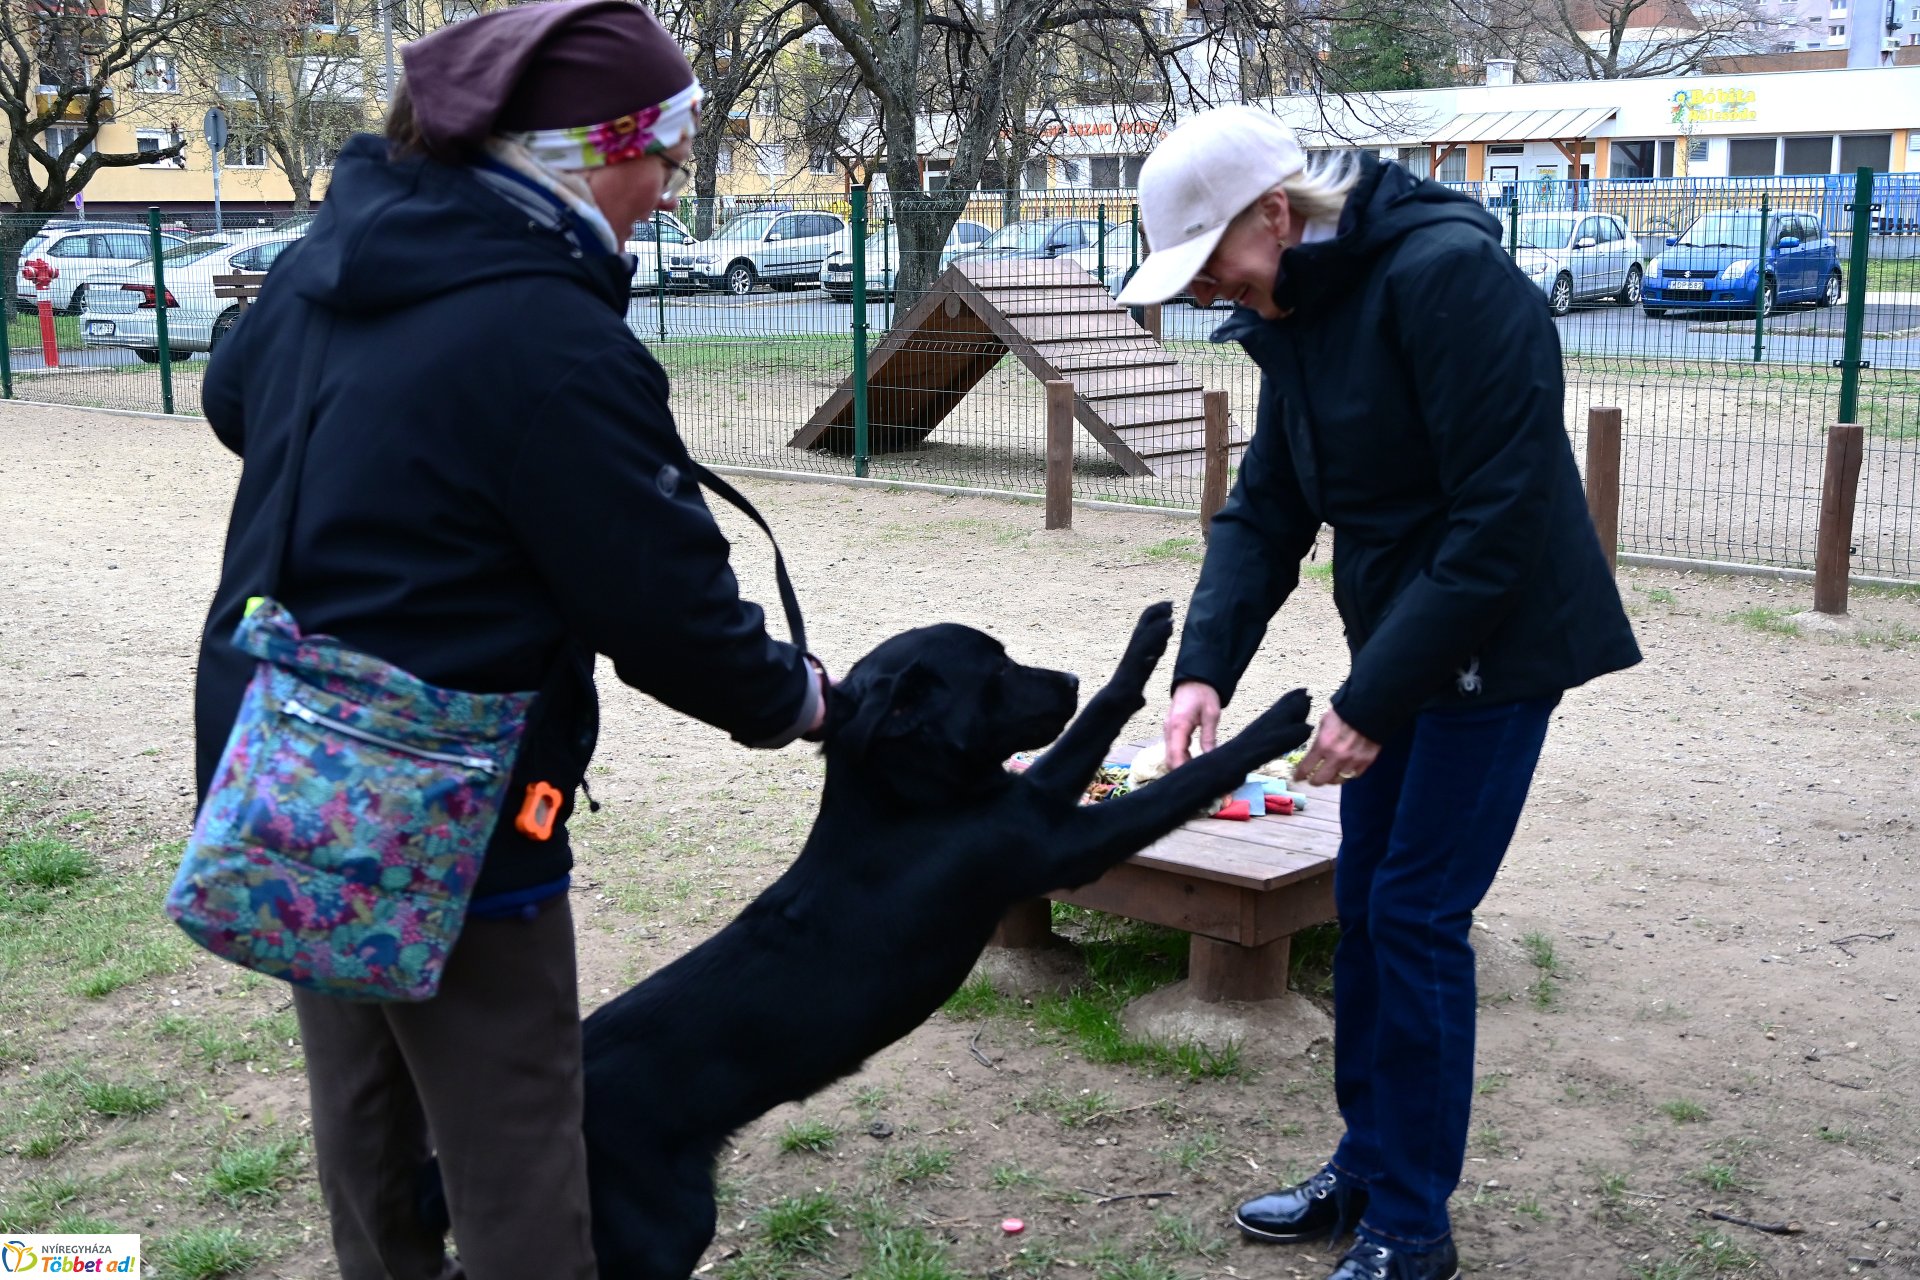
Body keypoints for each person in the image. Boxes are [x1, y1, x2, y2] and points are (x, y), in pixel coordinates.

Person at [192, 4, 829, 1277]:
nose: (669, 188)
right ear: (584, 153)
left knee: (364, 1101)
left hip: (289, 758)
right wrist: (798, 698)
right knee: (516, 1139)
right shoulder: (548, 334)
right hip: (445, 789)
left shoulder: (334, 259)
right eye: (665, 155)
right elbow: (665, 606)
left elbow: (230, 398)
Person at [1117, 107, 1640, 1280]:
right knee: (1366, 899)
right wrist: (1202, 669)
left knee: (1415, 912)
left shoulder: (1451, 280)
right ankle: (1366, 1162)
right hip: (1405, 639)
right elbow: (1266, 508)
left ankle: (1413, 1219)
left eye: (1208, 261)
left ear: (1275, 212)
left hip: (1500, 644)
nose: (1203, 291)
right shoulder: (1298, 311)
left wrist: (1371, 698)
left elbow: (1500, 520)